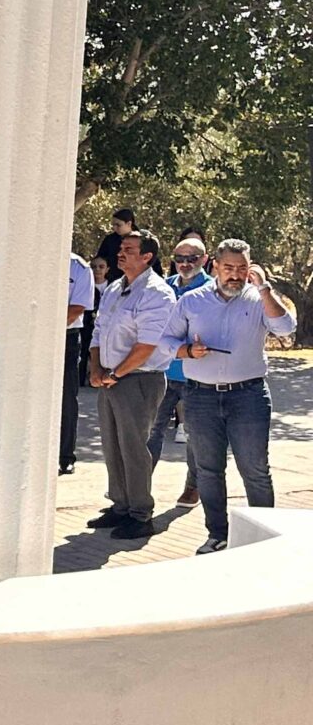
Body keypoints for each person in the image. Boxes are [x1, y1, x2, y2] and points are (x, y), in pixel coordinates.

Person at [160, 239, 297, 555]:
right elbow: (165, 341)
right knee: (208, 470)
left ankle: (264, 539)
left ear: (251, 268)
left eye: (242, 268)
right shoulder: (192, 301)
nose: (235, 275)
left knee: (255, 470)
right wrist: (187, 351)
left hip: (248, 396)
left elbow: (285, 328)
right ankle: (217, 535)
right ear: (215, 267)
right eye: (228, 267)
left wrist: (264, 289)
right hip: (200, 397)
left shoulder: (258, 299)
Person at [87, 228, 177, 540]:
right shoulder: (115, 287)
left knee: (134, 447)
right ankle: (120, 505)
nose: (120, 253)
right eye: (121, 248)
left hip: (138, 380)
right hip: (110, 378)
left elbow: (146, 346)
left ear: (147, 256)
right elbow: (99, 331)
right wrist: (96, 368)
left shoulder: (157, 293)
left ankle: (141, 514)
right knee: (112, 445)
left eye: (129, 249)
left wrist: (116, 374)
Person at [146, 237, 212, 505]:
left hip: (194, 376)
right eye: (179, 258)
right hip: (162, 371)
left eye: (191, 258)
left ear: (204, 259)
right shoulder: (166, 287)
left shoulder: (211, 290)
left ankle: (192, 488)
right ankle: (139, 485)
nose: (184, 264)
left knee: (194, 436)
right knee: (151, 431)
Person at [60, 252, 93, 475]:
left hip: (67, 336)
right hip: (31, 335)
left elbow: (77, 308)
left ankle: (65, 456)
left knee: (66, 397)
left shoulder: (79, 268)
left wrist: (48, 325)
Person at [93, 208, 137, 275]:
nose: (114, 228)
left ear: (129, 223)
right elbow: (100, 259)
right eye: (113, 225)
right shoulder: (109, 240)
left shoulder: (142, 240)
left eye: (118, 225)